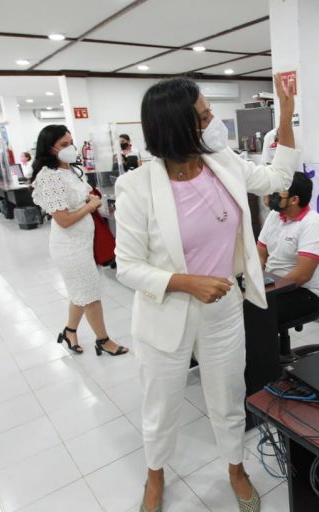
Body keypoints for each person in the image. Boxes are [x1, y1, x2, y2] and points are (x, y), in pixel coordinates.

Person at [114, 73, 297, 512]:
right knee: (162, 405)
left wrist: (287, 116)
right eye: (204, 115)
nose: (214, 120)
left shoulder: (225, 163)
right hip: (167, 313)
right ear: (177, 127)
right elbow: (127, 267)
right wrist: (184, 282)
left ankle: (235, 468)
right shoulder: (137, 187)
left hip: (223, 312)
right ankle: (154, 476)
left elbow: (278, 176)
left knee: (228, 396)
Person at [30, 125, 129, 358]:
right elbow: (63, 219)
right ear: (50, 148)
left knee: (80, 292)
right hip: (70, 247)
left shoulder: (72, 171)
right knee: (91, 294)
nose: (70, 148)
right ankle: (103, 340)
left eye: (71, 142)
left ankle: (69, 331)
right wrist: (90, 206)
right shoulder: (48, 178)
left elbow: (82, 198)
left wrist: (91, 200)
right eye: (63, 145)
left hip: (86, 242)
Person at [257, 172, 319, 325]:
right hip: (273, 285)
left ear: (294, 200)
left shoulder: (312, 224)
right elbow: (260, 255)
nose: (271, 196)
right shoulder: (274, 216)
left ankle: (266, 349)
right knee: (240, 305)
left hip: (305, 292)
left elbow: (302, 275)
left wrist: (269, 289)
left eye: (278, 194)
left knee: (256, 315)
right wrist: (254, 282)